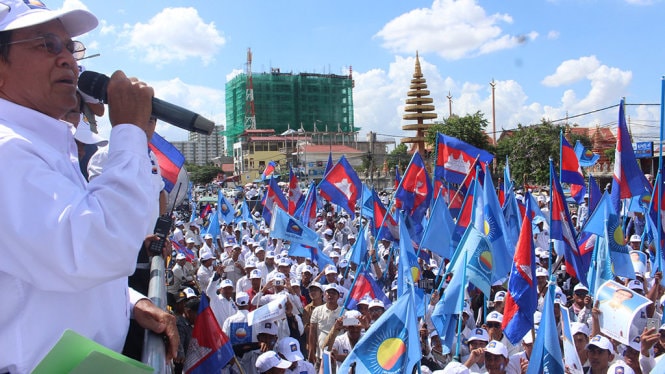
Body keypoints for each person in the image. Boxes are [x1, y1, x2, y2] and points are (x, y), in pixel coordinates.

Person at [0, 2, 177, 372]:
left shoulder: (44, 147)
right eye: (47, 44)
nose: (69, 60)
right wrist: (127, 132)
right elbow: (98, 248)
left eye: (70, 47)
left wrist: (129, 302)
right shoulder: (7, 150)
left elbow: (46, 269)